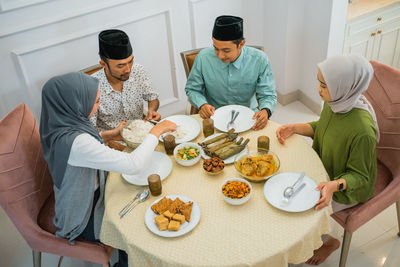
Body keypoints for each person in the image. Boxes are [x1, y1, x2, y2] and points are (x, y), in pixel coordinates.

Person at [39, 72, 176, 267]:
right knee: (137, 226)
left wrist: (109, 134)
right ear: (75, 103)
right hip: (82, 212)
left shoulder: (60, 122)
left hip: (84, 193)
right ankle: (126, 262)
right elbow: (133, 165)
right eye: (95, 102)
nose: (98, 106)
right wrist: (156, 131)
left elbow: (86, 147)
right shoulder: (76, 142)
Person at [276, 55, 378, 265]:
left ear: (344, 87)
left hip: (346, 187)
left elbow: (361, 176)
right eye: (319, 82)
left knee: (299, 211)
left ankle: (329, 242)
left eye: (324, 85)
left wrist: (333, 185)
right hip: (323, 169)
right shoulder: (337, 103)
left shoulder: (363, 131)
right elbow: (322, 128)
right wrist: (295, 128)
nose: (318, 90)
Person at [185, 15, 277, 130]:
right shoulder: (203, 58)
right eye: (216, 48)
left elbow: (267, 94)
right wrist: (202, 104)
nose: (220, 55)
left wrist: (265, 110)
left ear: (241, 44)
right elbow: (192, 89)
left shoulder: (259, 59)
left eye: (226, 50)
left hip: (249, 117)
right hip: (213, 116)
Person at [90, 29, 161, 133]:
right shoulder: (91, 87)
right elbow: (89, 130)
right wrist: (111, 140)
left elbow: (153, 98)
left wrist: (152, 110)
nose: (128, 69)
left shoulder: (138, 70)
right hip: (110, 142)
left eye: (130, 61)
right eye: (120, 65)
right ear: (103, 64)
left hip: (140, 134)